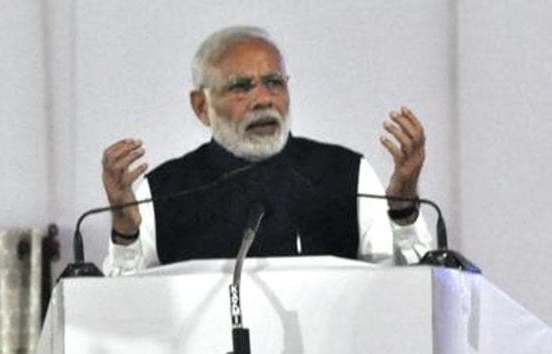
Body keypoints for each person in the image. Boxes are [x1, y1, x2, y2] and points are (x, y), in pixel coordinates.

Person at [101, 26, 432, 276]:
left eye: (274, 82)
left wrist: (404, 209)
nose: (264, 100)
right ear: (202, 107)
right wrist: (126, 234)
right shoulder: (162, 192)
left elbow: (406, 290)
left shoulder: (346, 175)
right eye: (241, 87)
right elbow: (124, 313)